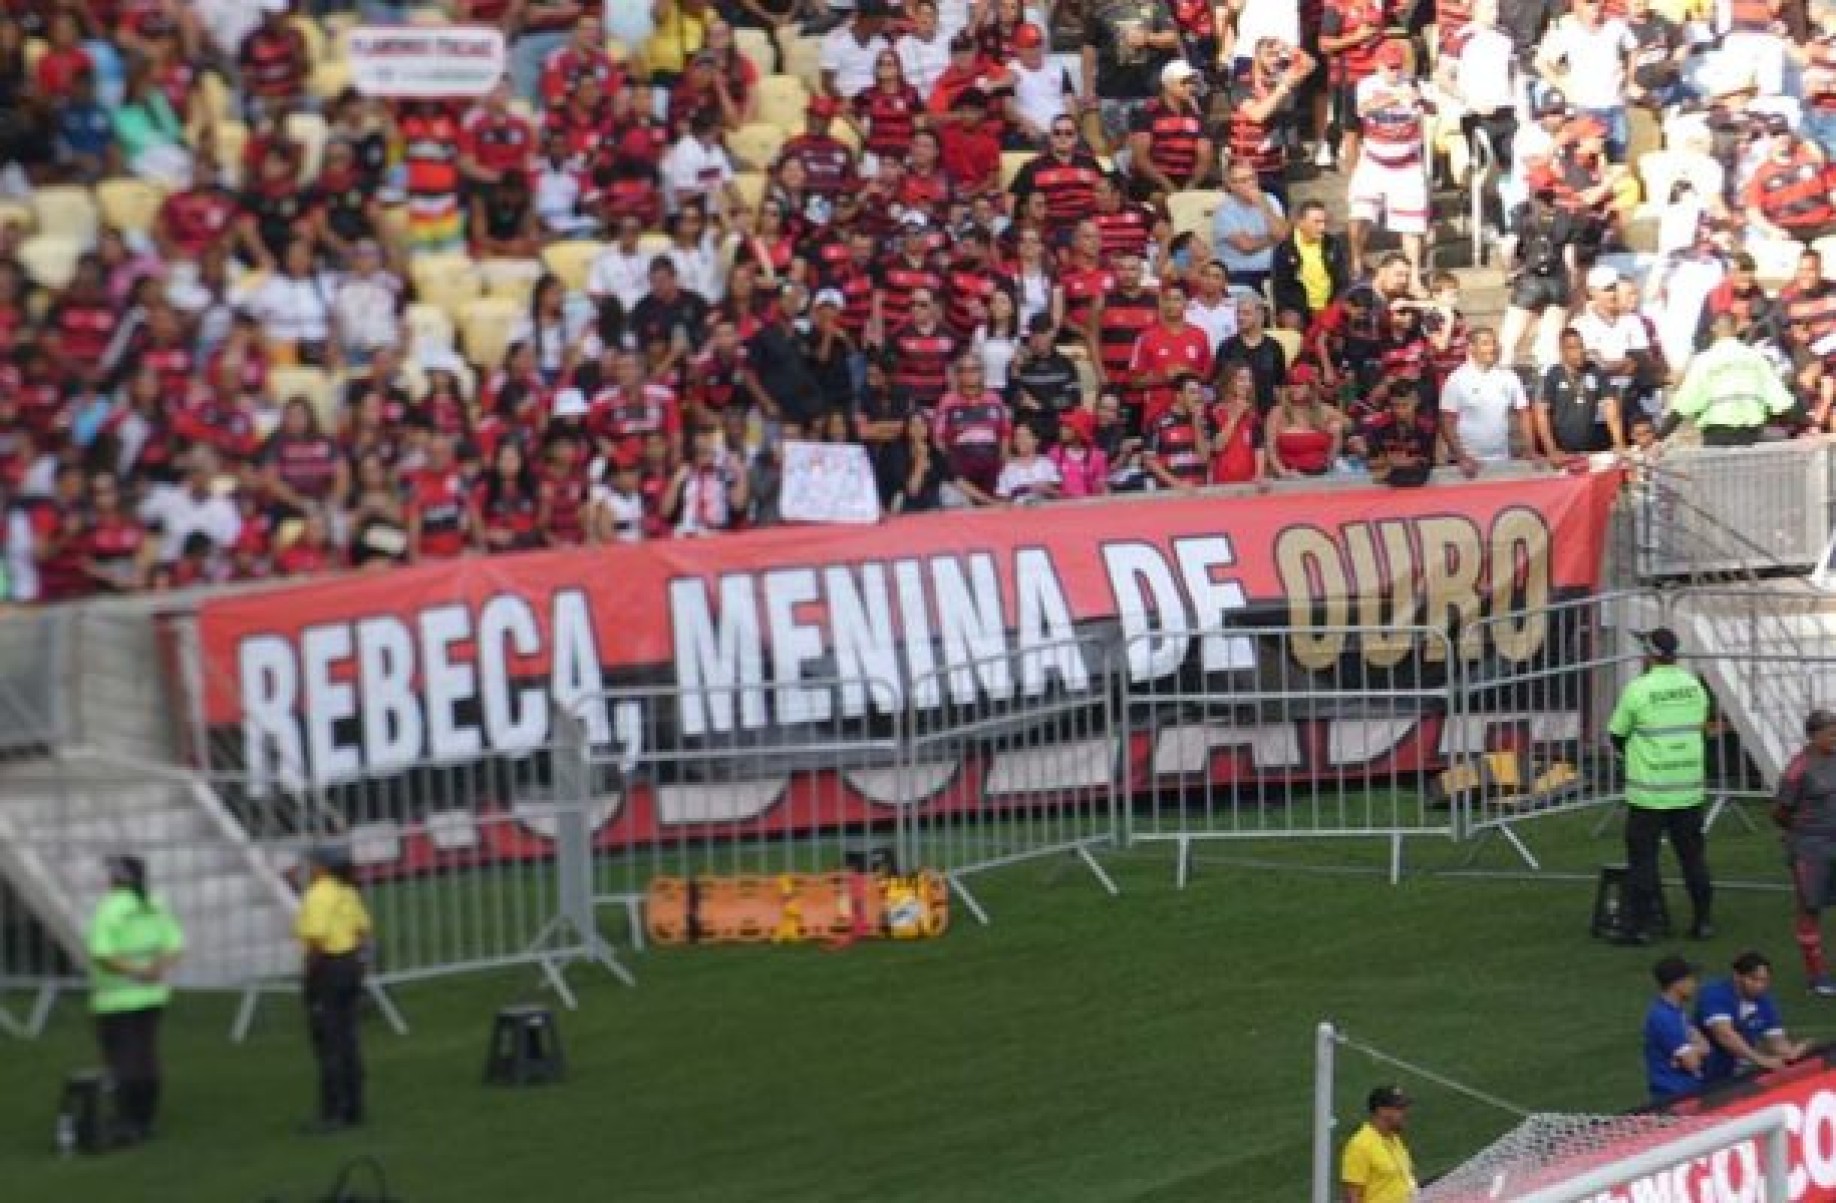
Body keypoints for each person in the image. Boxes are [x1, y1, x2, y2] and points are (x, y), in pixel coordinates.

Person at [1609, 627, 1713, 946]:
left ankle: (1639, 927)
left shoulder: (1638, 690)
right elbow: (1700, 726)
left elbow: (1616, 734)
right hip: (1687, 789)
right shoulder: (1693, 686)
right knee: (1692, 858)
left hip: (1649, 791)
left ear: (1649, 655)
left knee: (1643, 860)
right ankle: (1703, 921)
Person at [88, 854, 184, 1145]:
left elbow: (103, 954)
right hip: (152, 995)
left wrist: (137, 972)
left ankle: (128, 1120)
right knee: (146, 1057)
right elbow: (174, 945)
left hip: (116, 998)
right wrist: (155, 970)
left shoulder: (110, 908)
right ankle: (147, 1118)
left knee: (123, 1061)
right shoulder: (155, 903)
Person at [297, 844, 373, 1134]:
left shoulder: (317, 896)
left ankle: (333, 1111)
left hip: (327, 968)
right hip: (350, 964)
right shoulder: (349, 892)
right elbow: (363, 931)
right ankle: (354, 1106)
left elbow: (315, 942)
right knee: (348, 1038)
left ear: (322, 868)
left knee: (328, 1041)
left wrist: (308, 978)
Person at [1665, 312, 1797, 447]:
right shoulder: (1755, 357)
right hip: (1750, 435)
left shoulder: (1703, 360)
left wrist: (1660, 434)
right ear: (1736, 328)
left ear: (1713, 328)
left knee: (1720, 468)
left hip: (1717, 435)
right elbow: (1781, 399)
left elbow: (1684, 403)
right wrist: (1808, 424)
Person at [1775, 710, 1836, 996]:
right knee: (1811, 908)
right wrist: (1799, 834)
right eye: (1831, 734)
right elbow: (1780, 811)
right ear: (1813, 736)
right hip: (1811, 847)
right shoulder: (1798, 768)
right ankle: (1817, 975)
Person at [1696, 952, 1811, 1083]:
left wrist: (1790, 1053)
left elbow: (1776, 1041)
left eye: (1765, 981)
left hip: (1734, 1076)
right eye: (1754, 979)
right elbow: (1724, 1035)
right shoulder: (1715, 994)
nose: (1760, 986)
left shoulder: (1765, 1002)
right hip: (1704, 1075)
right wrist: (1761, 1060)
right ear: (1737, 976)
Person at [1644, 954, 1709, 1102]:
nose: (1695, 984)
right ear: (1677, 984)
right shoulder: (1663, 1018)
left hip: (1687, 1093)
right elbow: (1693, 1063)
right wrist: (1695, 1051)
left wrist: (1692, 1051)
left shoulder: (1676, 1012)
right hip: (1673, 1100)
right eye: (1691, 979)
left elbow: (1706, 1047)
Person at [1340, 1085, 1416, 1203]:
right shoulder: (1360, 1145)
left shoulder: (1394, 1139)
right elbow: (1352, 1197)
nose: (1405, 1113)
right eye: (1399, 1108)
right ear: (1381, 1111)